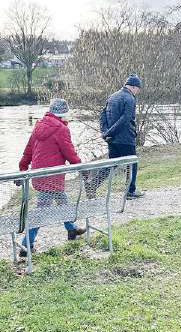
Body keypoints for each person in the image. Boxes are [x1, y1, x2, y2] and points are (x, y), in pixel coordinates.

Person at [17, 98, 86, 257]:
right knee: (42, 211)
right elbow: (70, 152)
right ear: (63, 114)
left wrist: (23, 166)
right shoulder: (61, 129)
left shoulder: (39, 125)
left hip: (39, 175)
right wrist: (82, 167)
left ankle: (71, 229)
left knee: (62, 201)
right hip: (52, 177)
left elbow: (29, 149)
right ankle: (26, 244)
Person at [97, 73, 144, 199]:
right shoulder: (129, 99)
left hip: (112, 139)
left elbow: (102, 116)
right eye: (138, 89)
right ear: (134, 87)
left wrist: (105, 132)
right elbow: (125, 119)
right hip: (125, 138)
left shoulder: (112, 96)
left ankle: (93, 184)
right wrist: (109, 132)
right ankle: (130, 191)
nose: (137, 92)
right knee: (132, 163)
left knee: (112, 163)